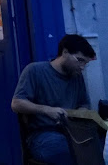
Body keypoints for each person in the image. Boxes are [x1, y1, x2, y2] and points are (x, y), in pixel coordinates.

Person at [11, 33, 97, 164]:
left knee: (100, 146)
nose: (82, 67)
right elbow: (16, 103)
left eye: (85, 63)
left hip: (73, 132)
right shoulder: (35, 70)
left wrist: (80, 113)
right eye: (79, 60)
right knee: (72, 151)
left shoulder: (77, 76)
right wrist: (46, 110)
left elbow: (83, 103)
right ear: (65, 52)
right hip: (43, 135)